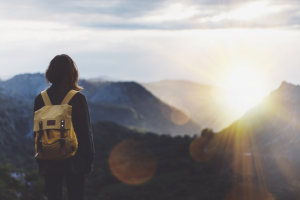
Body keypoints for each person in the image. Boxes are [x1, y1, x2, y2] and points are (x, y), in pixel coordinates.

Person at [33, 54, 95, 200]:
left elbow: (36, 133)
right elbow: (85, 133)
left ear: (50, 72)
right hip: (74, 160)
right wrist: (88, 163)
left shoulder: (40, 99)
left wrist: (40, 159)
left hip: (49, 159)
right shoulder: (78, 98)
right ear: (72, 73)